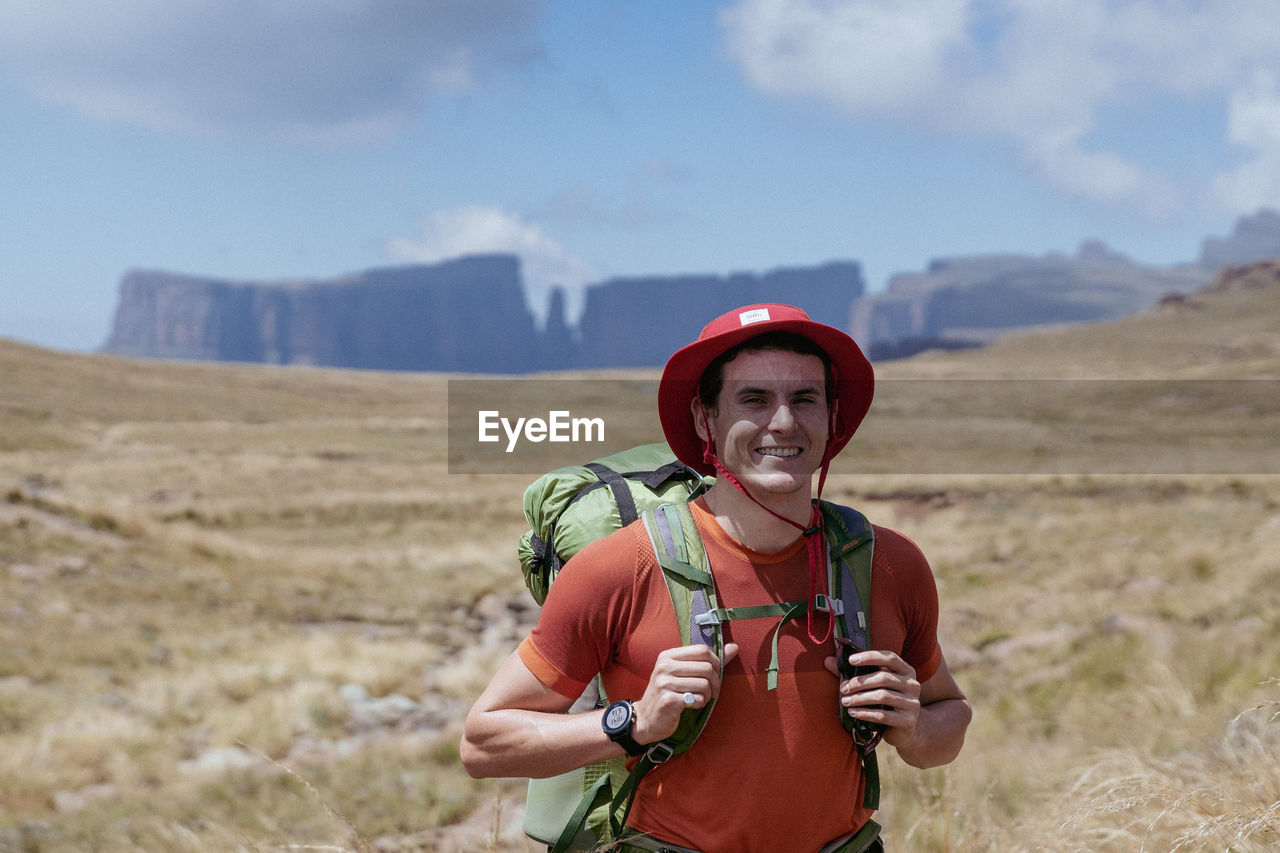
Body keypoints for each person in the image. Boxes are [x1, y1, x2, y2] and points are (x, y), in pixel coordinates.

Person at [462, 303, 971, 852]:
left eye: (806, 399)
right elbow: (485, 743)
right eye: (753, 399)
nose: (783, 422)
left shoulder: (887, 564)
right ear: (706, 418)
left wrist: (914, 728)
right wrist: (632, 721)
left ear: (833, 416)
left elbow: (949, 719)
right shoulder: (620, 567)